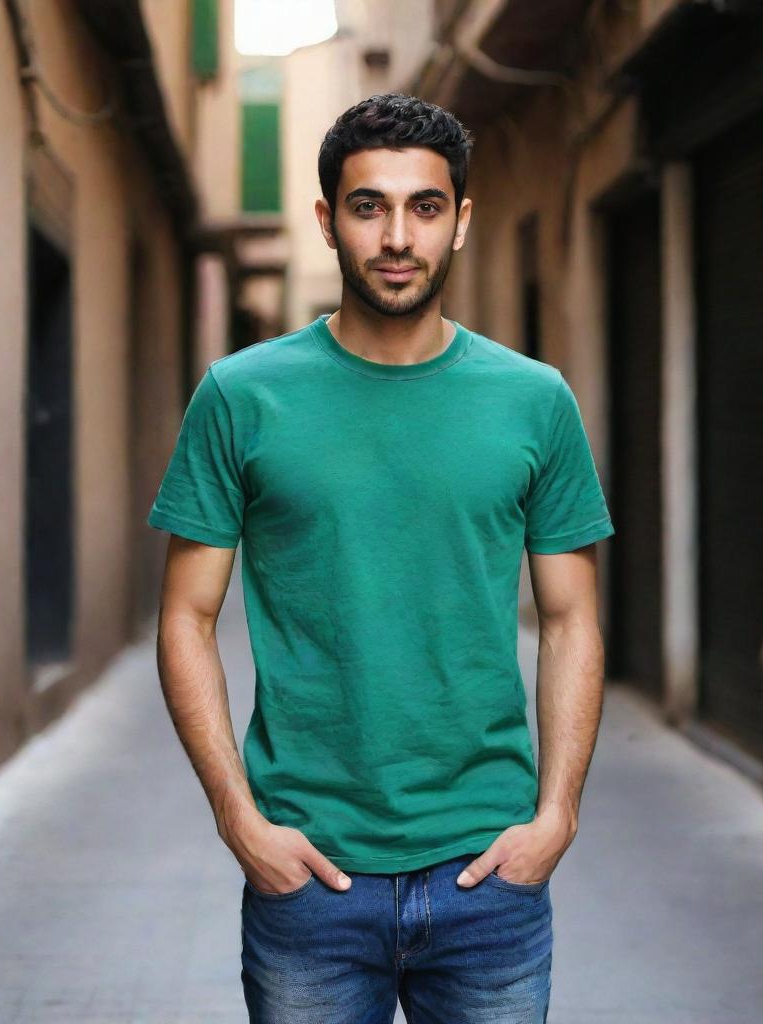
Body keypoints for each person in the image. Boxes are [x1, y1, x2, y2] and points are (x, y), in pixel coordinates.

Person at [147, 92, 615, 1024]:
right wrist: (239, 819)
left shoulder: (535, 400)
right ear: (327, 220)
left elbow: (570, 619)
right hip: (309, 879)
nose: (398, 235)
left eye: (425, 206)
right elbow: (185, 616)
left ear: (461, 221)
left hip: (489, 877)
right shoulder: (242, 397)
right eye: (369, 207)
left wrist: (555, 816)